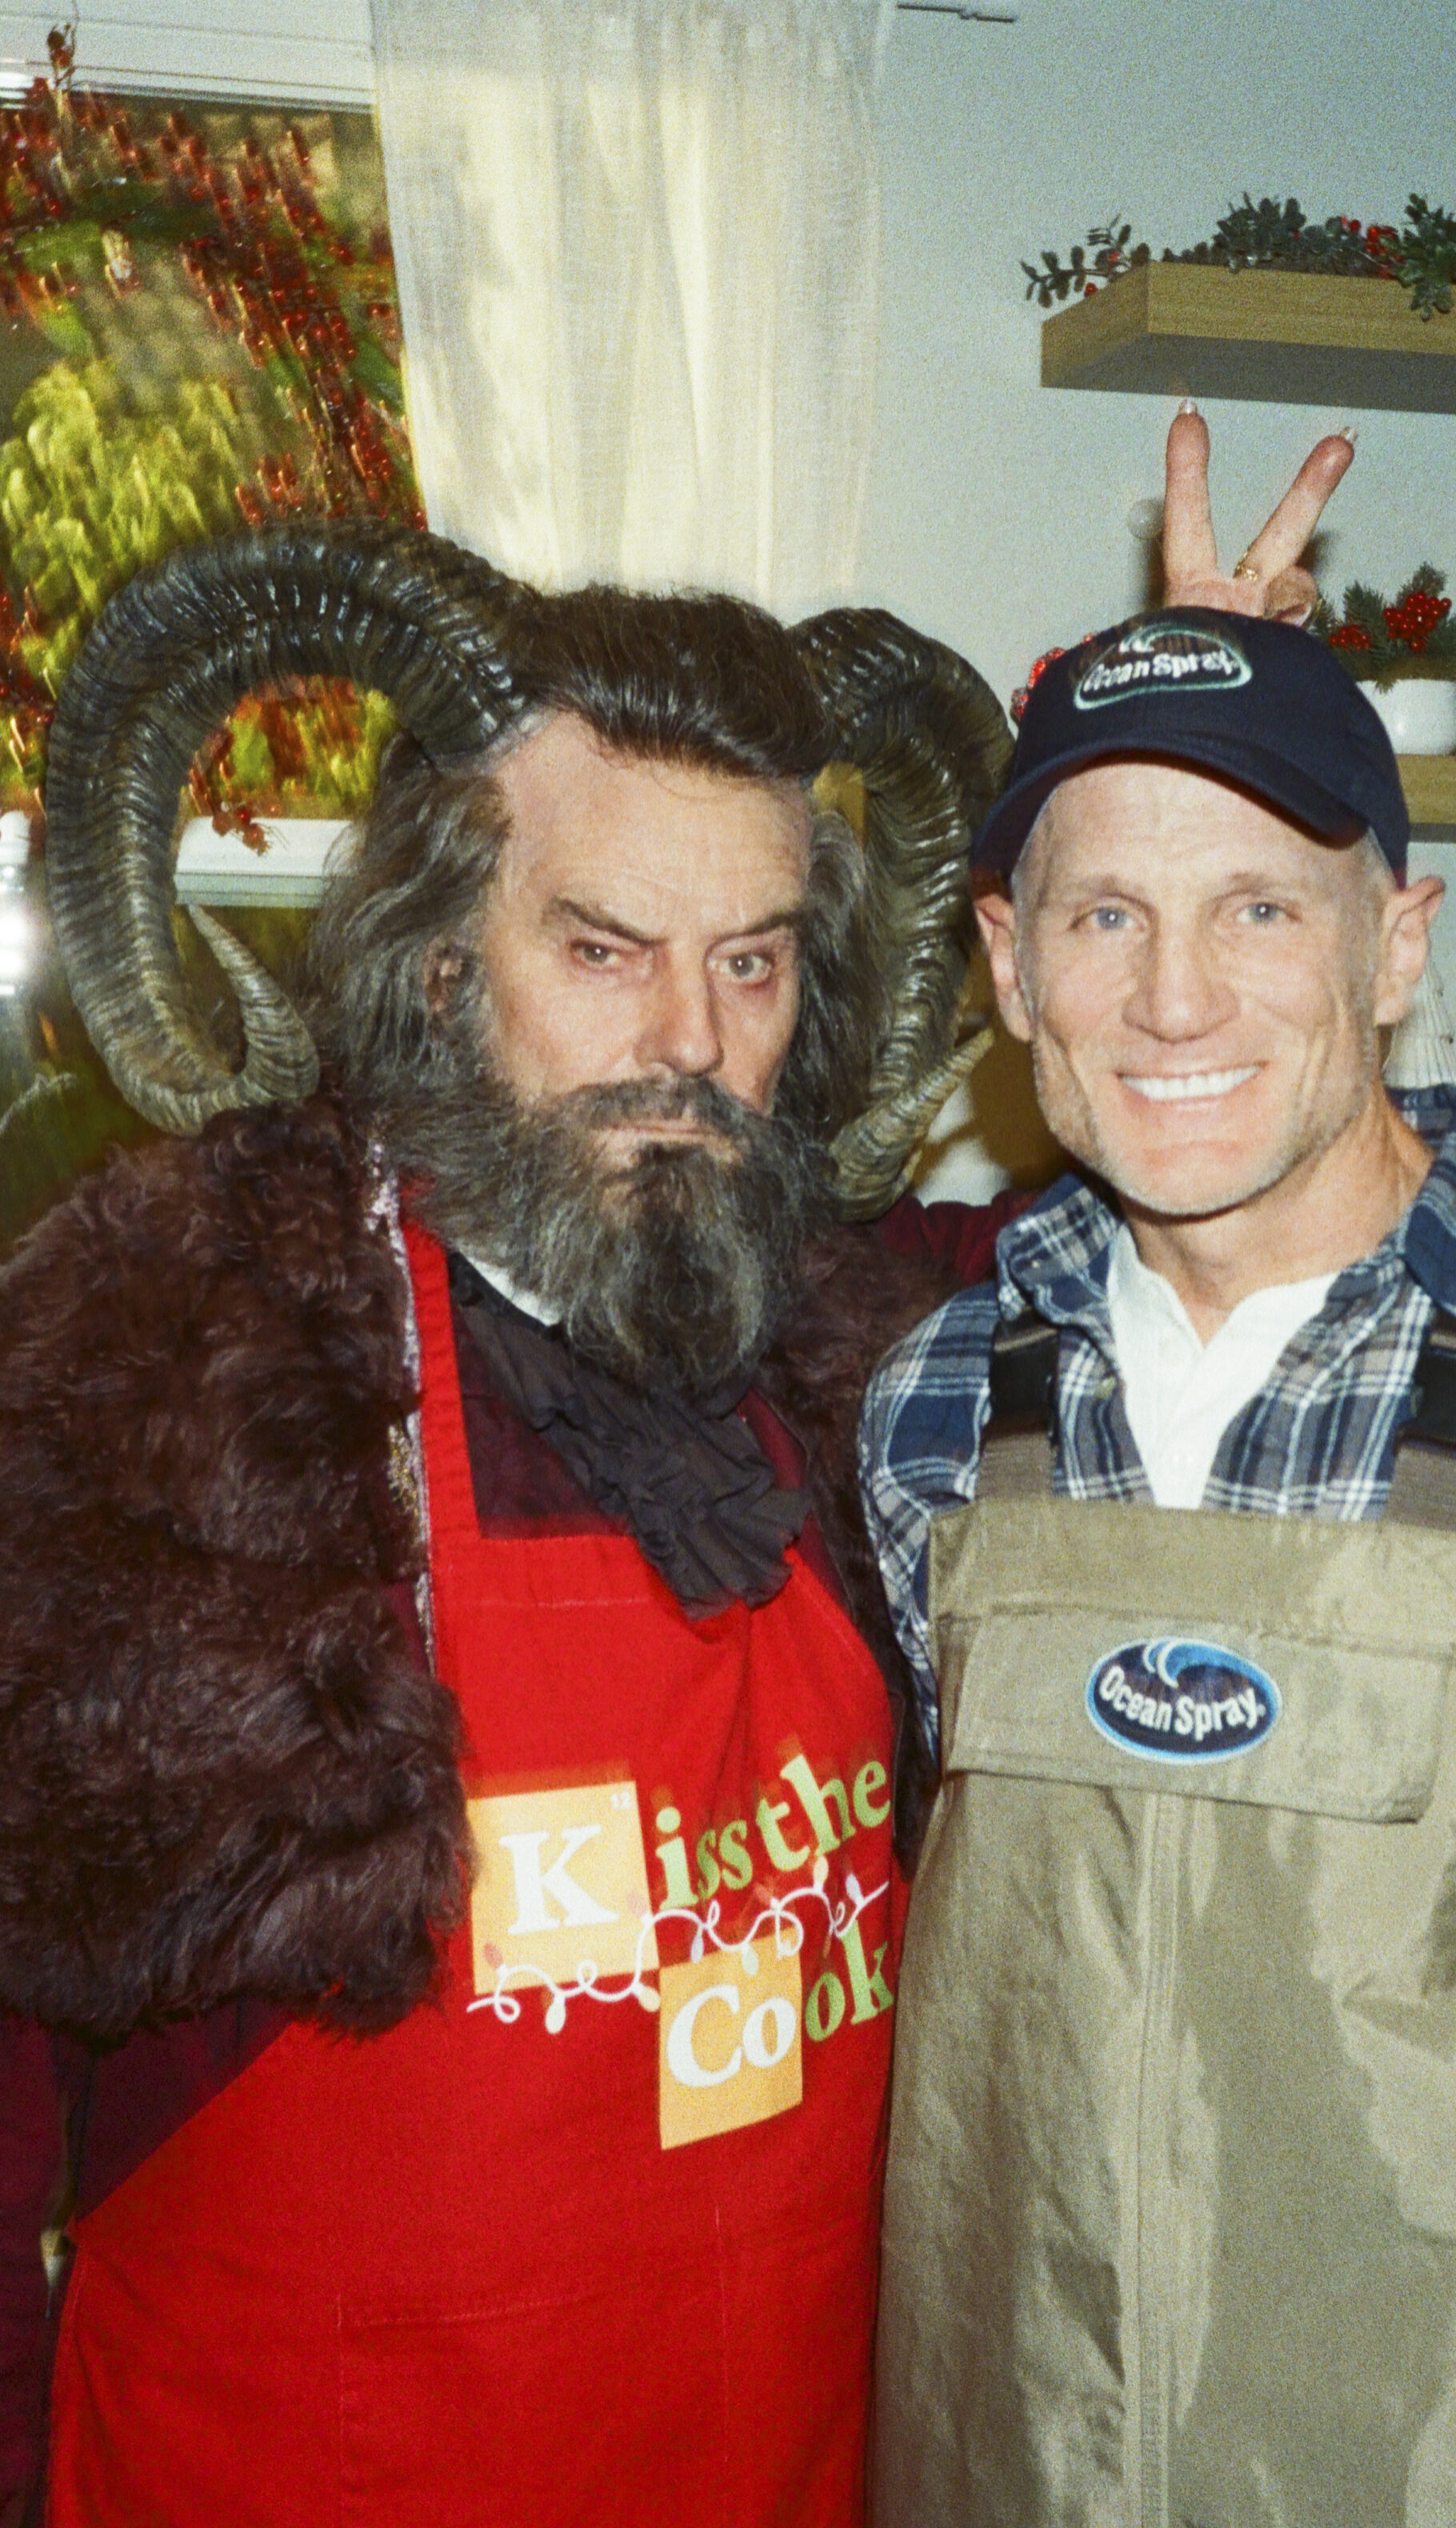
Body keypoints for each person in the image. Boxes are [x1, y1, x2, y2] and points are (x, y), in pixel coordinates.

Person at [0, 526, 1013, 2528]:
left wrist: (1191, 840)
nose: (692, 1046)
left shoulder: (867, 1366)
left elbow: (1198, 1231)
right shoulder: (177, 1401)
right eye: (604, 951)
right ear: (443, 961)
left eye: (751, 960)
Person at [862, 447, 1456, 2523]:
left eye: (1259, 907)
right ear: (1006, 965)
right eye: (1105, 913)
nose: (1173, 1000)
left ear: (1394, 943)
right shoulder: (932, 1408)